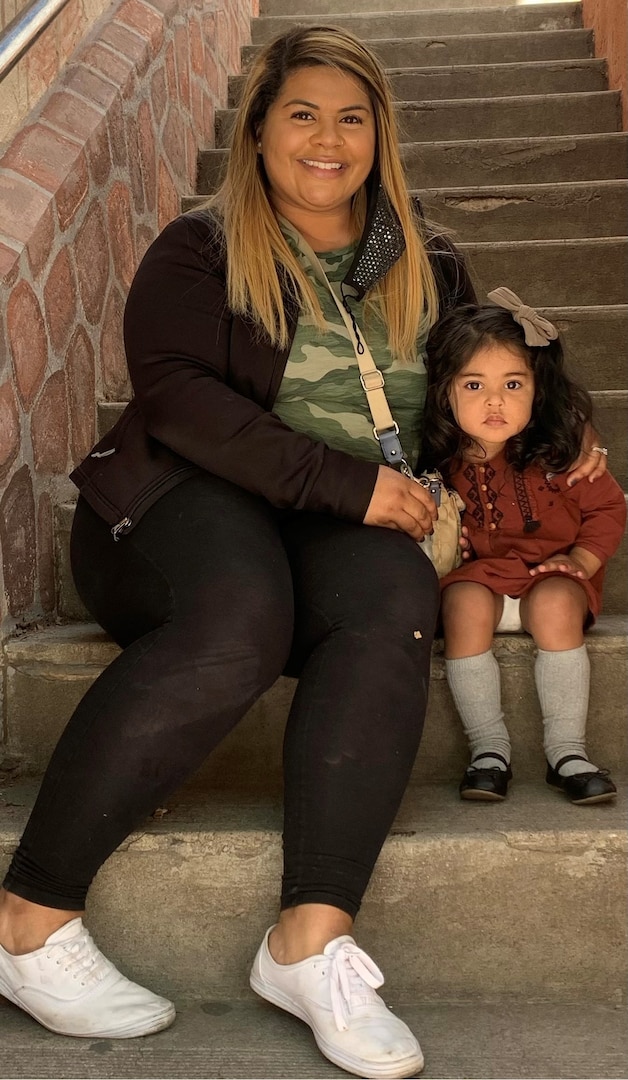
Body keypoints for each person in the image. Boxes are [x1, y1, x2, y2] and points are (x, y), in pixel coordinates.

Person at [0, 27, 608, 1080]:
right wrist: (347, 485)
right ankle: (27, 919)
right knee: (242, 612)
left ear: (380, 136)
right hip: (176, 505)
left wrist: (557, 445)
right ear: (258, 127)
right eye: (302, 113)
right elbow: (181, 401)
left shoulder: (428, 260)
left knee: (388, 604)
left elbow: (482, 388)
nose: (327, 139)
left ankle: (308, 943)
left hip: (345, 526)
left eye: (351, 117)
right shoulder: (199, 250)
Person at [420, 288, 625, 805]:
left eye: (513, 383)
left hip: (551, 577)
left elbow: (608, 508)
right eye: (474, 384)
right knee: (461, 601)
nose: (495, 401)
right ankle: (489, 751)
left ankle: (567, 753)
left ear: (538, 390)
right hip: (481, 579)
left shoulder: (563, 453)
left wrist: (580, 560)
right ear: (446, 392)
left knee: (557, 600)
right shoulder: (437, 460)